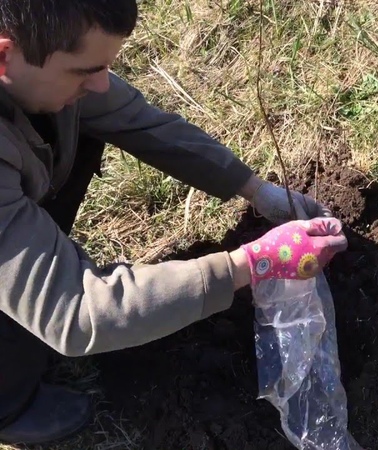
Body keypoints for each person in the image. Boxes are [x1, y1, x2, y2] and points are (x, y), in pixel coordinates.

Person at [0, 1, 348, 446]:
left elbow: (141, 123)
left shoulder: (41, 64)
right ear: (5, 54)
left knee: (85, 120)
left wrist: (254, 188)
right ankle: (8, 402)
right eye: (85, 69)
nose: (103, 82)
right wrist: (253, 263)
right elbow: (78, 314)